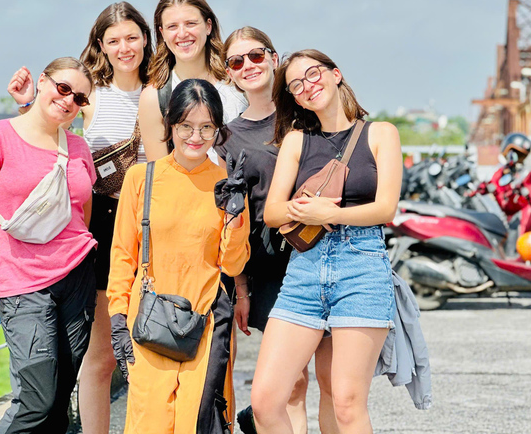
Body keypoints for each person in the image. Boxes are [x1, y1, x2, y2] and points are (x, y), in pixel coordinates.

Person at [6, 2, 166, 434]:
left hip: (155, 221)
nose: (124, 47)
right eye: (113, 40)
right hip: (104, 222)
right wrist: (27, 104)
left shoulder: (162, 89)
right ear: (100, 45)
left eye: (132, 37)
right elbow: (48, 137)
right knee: (101, 356)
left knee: (155, 343)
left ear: (146, 38)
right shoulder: (89, 94)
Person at [251, 50, 402, 433]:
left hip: (362, 268)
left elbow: (386, 208)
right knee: (265, 402)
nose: (307, 86)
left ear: (336, 74)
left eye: (313, 74)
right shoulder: (297, 141)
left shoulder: (381, 133)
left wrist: (328, 214)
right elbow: (272, 212)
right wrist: (304, 210)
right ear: (295, 98)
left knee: (347, 404)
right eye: (296, 85)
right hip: (304, 272)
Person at [0, 57, 97, 433]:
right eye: (63, 88)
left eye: (79, 97)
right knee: (36, 399)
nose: (69, 100)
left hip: (78, 279)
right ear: (43, 81)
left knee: (60, 398)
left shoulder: (79, 148)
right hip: (22, 283)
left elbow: (82, 215)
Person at [107, 79, 250, 433]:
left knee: (197, 422)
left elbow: (232, 264)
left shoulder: (226, 183)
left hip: (206, 322)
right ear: (171, 125)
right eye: (186, 126)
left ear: (218, 129)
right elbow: (123, 254)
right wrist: (117, 318)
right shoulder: (141, 178)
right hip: (149, 321)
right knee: (149, 422)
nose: (196, 137)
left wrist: (236, 216)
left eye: (206, 127)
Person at [219, 28, 338, 433]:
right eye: (237, 61)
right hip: (270, 266)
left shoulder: (308, 114)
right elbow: (232, 218)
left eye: (256, 56)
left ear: (273, 58)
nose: (248, 66)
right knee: (291, 385)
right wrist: (241, 289)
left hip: (328, 252)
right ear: (229, 72)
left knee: (334, 382)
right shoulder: (228, 137)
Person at [138, 0, 248, 163]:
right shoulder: (154, 97)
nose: (182, 34)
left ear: (208, 26)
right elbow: (159, 173)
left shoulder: (238, 81)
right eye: (172, 26)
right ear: (162, 33)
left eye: (191, 23)